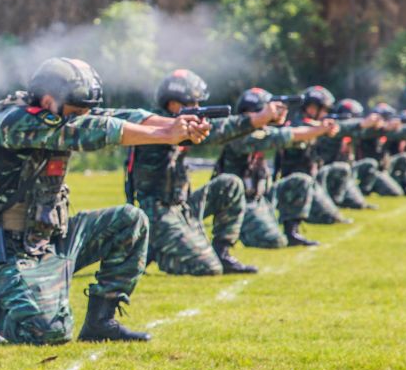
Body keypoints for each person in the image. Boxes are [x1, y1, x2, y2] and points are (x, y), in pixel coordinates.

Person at [0, 57, 210, 345]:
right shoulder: (13, 122)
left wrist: (177, 125)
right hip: (9, 250)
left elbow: (126, 116)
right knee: (50, 332)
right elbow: (91, 130)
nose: (81, 116)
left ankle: (101, 322)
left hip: (49, 239)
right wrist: (165, 134)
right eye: (76, 111)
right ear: (48, 101)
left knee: (130, 222)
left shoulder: (64, 111)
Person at [124, 69, 284, 276]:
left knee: (230, 184)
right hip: (157, 213)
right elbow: (219, 131)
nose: (198, 109)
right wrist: (260, 118)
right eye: (193, 104)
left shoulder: (173, 125)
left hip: (181, 206)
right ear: (174, 104)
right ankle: (159, 251)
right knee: (207, 267)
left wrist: (262, 120)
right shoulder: (159, 127)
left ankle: (222, 252)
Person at [214, 88, 334, 249]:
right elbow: (286, 135)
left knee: (301, 181)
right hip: (240, 203)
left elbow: (288, 133)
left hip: (261, 196)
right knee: (274, 241)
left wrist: (319, 129)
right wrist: (319, 130)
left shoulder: (256, 130)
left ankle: (292, 232)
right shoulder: (242, 136)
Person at [273, 86, 348, 225]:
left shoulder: (314, 126)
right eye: (323, 109)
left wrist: (325, 129)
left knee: (333, 216)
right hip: (295, 186)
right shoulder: (296, 125)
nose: (325, 113)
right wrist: (321, 129)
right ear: (312, 108)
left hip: (308, 183)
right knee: (327, 217)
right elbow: (301, 132)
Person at [313, 98, 384, 209]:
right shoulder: (332, 129)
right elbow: (345, 127)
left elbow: (367, 132)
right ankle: (335, 202)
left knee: (358, 203)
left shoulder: (350, 132)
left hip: (345, 174)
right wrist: (362, 124)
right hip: (327, 175)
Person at [355, 103, 406, 197]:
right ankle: (363, 189)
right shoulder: (367, 131)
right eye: (385, 118)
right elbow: (371, 132)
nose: (387, 121)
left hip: (378, 171)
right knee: (394, 192)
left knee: (396, 191)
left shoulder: (383, 132)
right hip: (368, 172)